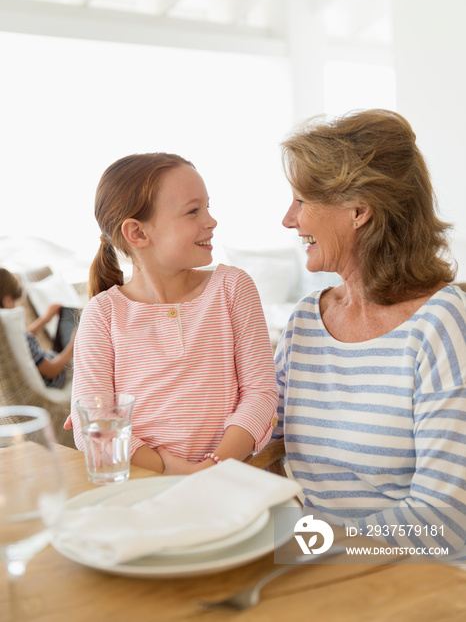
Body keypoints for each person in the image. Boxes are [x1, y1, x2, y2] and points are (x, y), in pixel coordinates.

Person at [273, 108, 466, 560]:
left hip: (419, 582)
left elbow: (446, 521)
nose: (288, 219)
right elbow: (258, 436)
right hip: (320, 567)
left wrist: (306, 542)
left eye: (301, 201)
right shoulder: (305, 323)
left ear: (359, 210)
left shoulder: (442, 324)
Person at [65, 153, 277, 475]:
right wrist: (167, 468)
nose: (211, 220)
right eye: (193, 211)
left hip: (228, 478)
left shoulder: (233, 288)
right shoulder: (103, 314)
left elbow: (260, 394)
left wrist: (215, 465)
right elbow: (92, 423)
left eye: (208, 206)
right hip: (142, 485)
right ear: (137, 233)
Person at [0, 268, 75, 388]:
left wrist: (45, 319)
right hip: (59, 378)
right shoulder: (21, 339)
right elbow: (52, 370)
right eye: (15, 302)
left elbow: (24, 338)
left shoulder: (6, 334)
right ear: (7, 301)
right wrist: (73, 345)